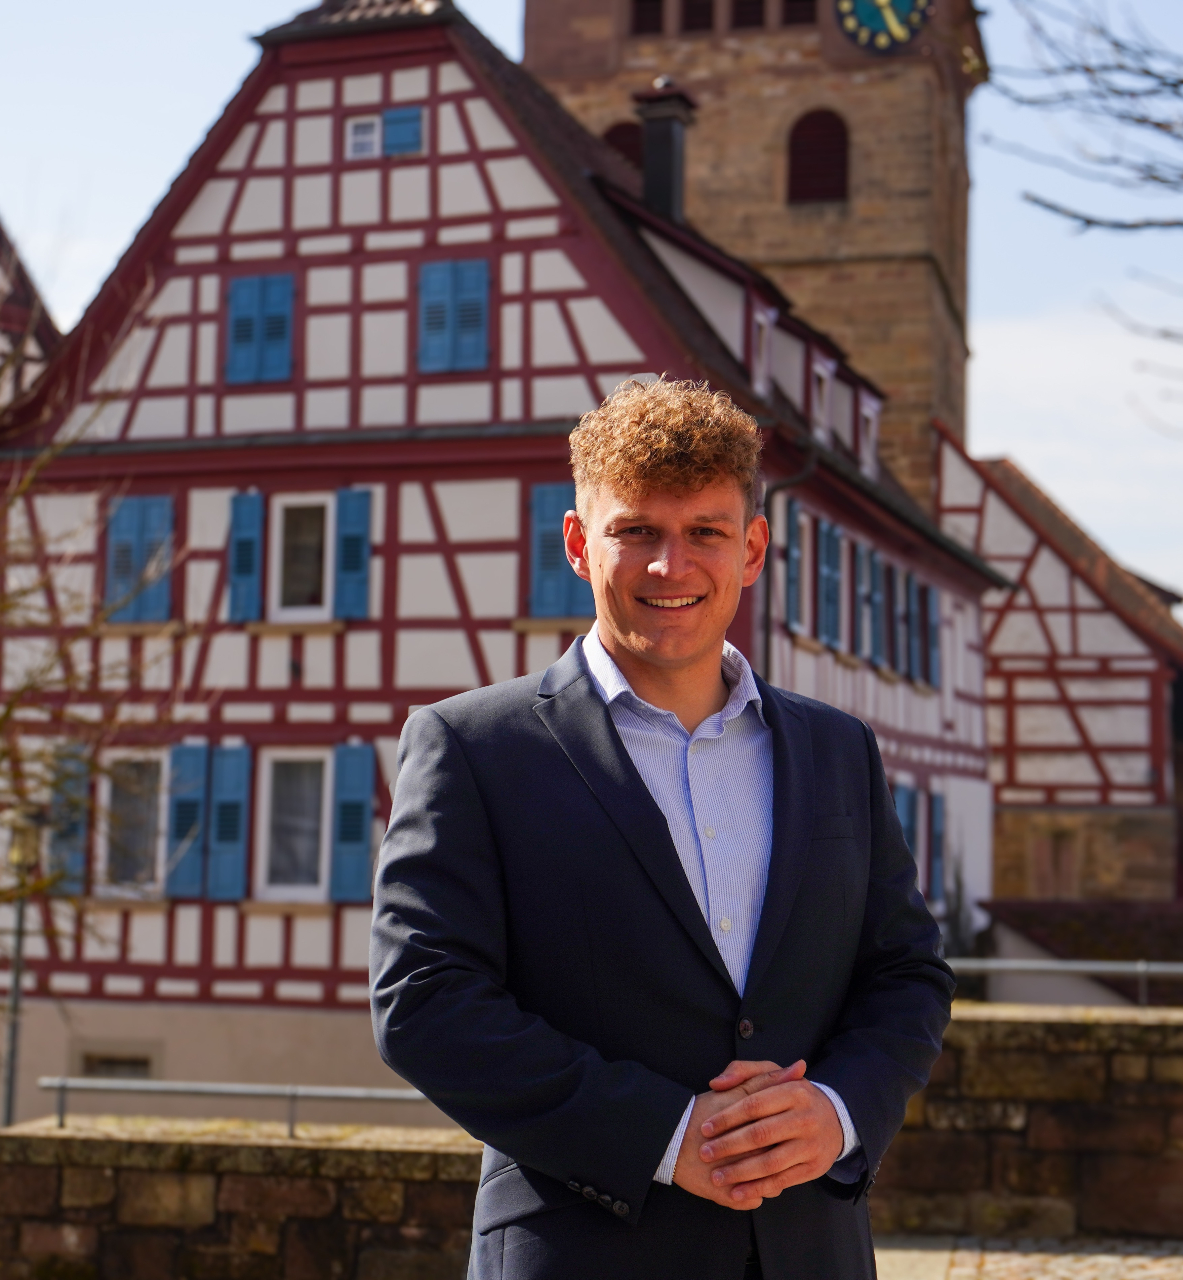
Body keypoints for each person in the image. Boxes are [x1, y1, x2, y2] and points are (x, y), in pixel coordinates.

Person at [371, 379, 953, 1279]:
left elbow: (906, 975)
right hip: (581, 1252)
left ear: (752, 548)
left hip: (810, 1253)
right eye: (636, 530)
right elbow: (425, 1002)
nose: (668, 566)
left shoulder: (840, 750)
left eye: (705, 534)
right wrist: (668, 1136)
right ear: (577, 542)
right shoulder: (472, 747)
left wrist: (838, 1111)